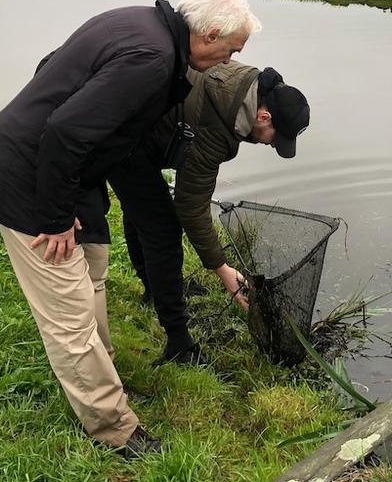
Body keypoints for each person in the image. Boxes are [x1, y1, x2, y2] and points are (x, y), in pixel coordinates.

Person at [0, 0, 261, 457]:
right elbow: (64, 130)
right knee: (68, 312)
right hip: (29, 178)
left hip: (67, 173)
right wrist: (57, 217)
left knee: (95, 268)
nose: (231, 60)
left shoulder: (142, 23)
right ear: (209, 35)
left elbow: (52, 68)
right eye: (232, 50)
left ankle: (105, 382)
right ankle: (113, 427)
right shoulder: (152, 57)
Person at [107, 61, 310, 365]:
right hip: (121, 134)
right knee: (163, 229)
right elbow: (191, 207)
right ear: (263, 116)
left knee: (144, 209)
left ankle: (153, 289)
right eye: (274, 137)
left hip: (136, 124)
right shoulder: (218, 126)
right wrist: (221, 268)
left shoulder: (247, 84)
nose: (271, 145)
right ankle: (180, 346)